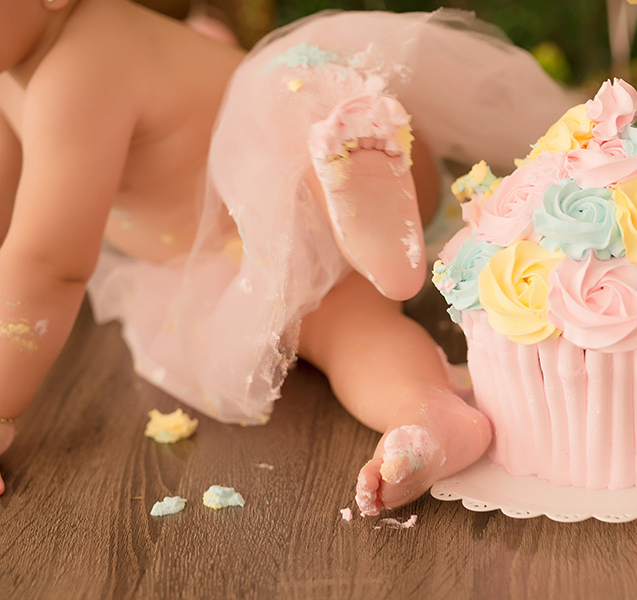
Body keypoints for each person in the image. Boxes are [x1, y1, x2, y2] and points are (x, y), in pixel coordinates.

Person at [0, 0, 574, 513]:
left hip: (310, 159)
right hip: (268, 261)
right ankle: (427, 415)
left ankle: (348, 173)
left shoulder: (81, 64)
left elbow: (46, 263)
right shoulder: (14, 80)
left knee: (280, 101)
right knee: (352, 337)